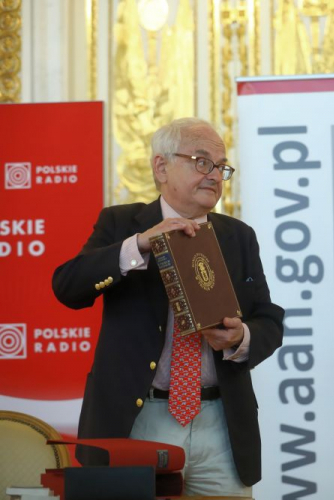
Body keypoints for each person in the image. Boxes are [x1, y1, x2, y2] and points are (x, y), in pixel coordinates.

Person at [53, 118, 284, 496]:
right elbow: (67, 288)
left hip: (221, 425)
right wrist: (139, 246)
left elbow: (268, 320)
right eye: (201, 161)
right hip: (138, 420)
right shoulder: (122, 223)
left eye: (221, 166)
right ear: (161, 167)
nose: (214, 175)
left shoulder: (238, 236)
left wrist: (241, 336)